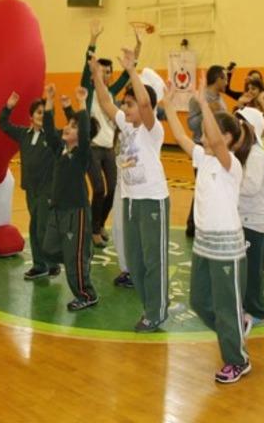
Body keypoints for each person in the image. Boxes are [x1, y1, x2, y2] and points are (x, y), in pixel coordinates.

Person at [162, 81, 254, 384]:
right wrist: (167, 101)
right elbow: (178, 135)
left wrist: (203, 104)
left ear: (228, 137)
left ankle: (237, 360)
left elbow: (214, 141)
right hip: (204, 245)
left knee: (226, 308)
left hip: (227, 248)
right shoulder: (203, 158)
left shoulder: (232, 166)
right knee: (199, 302)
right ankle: (236, 327)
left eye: (209, 129)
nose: (201, 134)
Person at [90, 49, 170, 332]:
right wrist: (97, 77)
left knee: (153, 259)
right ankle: (151, 305)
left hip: (152, 200)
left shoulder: (152, 129)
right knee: (135, 261)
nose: (125, 108)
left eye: (130, 104)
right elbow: (104, 101)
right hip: (133, 200)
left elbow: (147, 104)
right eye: (125, 103)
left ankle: (157, 311)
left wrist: (132, 70)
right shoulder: (126, 126)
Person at [80, 21, 141, 249]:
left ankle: (98, 224)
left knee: (113, 189)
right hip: (91, 148)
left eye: (108, 72)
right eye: (102, 71)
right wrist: (93, 39)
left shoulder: (112, 92)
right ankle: (93, 230)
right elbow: (87, 67)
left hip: (108, 149)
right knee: (98, 188)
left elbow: (128, 74)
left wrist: (138, 45)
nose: (105, 75)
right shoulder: (88, 90)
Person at [41, 88, 100, 311]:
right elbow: (48, 131)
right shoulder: (61, 151)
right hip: (57, 210)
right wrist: (50, 102)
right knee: (49, 248)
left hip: (76, 212)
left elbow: (84, 133)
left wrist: (81, 103)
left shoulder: (82, 153)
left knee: (74, 260)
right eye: (69, 123)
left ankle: (87, 294)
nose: (67, 127)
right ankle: (82, 254)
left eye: (73, 126)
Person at [0, 86, 61, 281]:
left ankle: (50, 263)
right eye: (38, 112)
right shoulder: (24, 134)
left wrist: (50, 103)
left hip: (47, 191)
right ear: (31, 116)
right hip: (30, 190)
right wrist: (8, 106)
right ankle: (42, 265)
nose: (42, 116)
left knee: (42, 228)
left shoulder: (52, 137)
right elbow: (2, 124)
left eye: (45, 113)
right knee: (35, 227)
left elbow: (54, 130)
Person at [235, 107, 264, 327]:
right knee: (244, 268)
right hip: (244, 220)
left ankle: (258, 313)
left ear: (250, 129)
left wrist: (230, 181)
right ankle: (245, 306)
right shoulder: (244, 153)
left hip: (255, 223)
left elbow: (250, 187)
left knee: (252, 271)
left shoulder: (257, 156)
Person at [185, 65, 229, 237]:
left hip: (218, 150)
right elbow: (191, 125)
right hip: (202, 150)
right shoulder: (199, 98)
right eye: (225, 78)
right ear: (218, 79)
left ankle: (196, 224)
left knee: (208, 188)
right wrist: (207, 111)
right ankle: (194, 224)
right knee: (203, 187)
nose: (226, 82)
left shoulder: (220, 99)